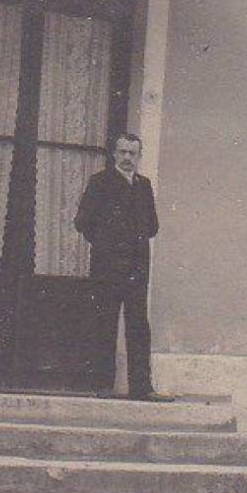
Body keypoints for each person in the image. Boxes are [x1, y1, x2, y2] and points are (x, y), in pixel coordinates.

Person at [74, 132, 172, 401]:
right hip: (107, 268)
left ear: (139, 156)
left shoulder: (144, 186)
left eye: (133, 153)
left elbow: (152, 226)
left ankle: (142, 387)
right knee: (105, 323)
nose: (128, 158)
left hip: (137, 268)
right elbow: (82, 221)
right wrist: (107, 243)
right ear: (114, 154)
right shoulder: (100, 183)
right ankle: (102, 384)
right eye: (123, 152)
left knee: (139, 326)